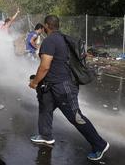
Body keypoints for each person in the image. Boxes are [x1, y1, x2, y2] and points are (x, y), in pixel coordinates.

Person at [28, 15, 109, 161]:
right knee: (45, 107)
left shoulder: (50, 41)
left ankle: (99, 145)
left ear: (46, 26)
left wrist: (34, 82)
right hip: (52, 85)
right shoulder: (62, 38)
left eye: (44, 26)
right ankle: (45, 136)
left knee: (76, 117)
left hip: (63, 87)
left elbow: (45, 66)